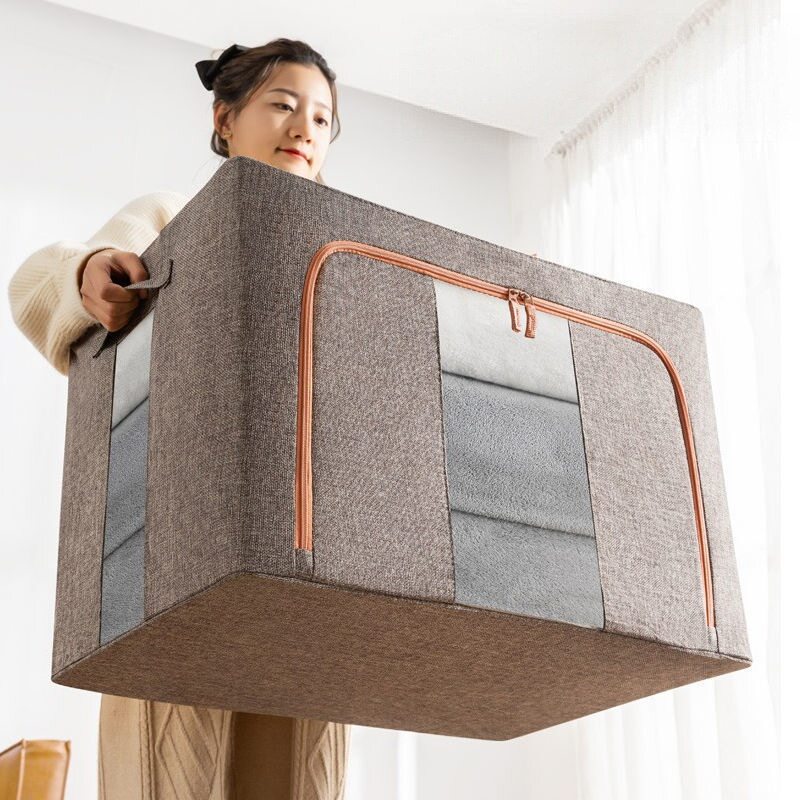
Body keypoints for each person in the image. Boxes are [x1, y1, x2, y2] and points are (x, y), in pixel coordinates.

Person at [7, 37, 350, 800]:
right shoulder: (173, 217)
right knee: (168, 772)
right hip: (177, 556)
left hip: (310, 572)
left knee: (302, 775)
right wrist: (90, 274)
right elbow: (38, 278)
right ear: (225, 119)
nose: (305, 128)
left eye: (323, 118)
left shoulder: (342, 251)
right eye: (283, 105)